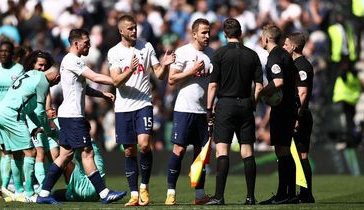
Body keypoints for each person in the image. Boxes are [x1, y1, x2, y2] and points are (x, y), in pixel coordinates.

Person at [36, 28, 126, 205]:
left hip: (68, 115)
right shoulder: (72, 60)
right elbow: (95, 77)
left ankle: (44, 193)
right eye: (86, 43)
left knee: (65, 156)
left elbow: (81, 87)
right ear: (76, 43)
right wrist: (118, 80)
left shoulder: (71, 61)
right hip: (72, 117)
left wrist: (101, 95)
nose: (89, 45)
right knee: (87, 153)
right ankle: (104, 193)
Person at [107, 14, 175, 206]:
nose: (134, 31)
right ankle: (134, 193)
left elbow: (160, 75)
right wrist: (130, 69)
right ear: (121, 31)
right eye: (130, 28)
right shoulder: (114, 52)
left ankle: (144, 187)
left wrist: (166, 64)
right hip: (123, 107)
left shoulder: (147, 46)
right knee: (129, 151)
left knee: (144, 144)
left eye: (135, 27)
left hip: (143, 103)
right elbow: (116, 81)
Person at [204, 18, 263, 205]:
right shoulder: (252, 55)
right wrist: (253, 103)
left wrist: (208, 109)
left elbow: (213, 85)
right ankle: (251, 196)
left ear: (224, 34)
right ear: (241, 33)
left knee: (222, 150)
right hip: (245, 104)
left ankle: (219, 196)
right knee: (247, 151)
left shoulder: (219, 54)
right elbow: (259, 86)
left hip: (226, 105)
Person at [164, 18, 212, 206]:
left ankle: (200, 195)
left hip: (203, 112)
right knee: (180, 149)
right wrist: (191, 71)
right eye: (203, 33)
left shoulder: (212, 54)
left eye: (208, 32)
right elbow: (171, 79)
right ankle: (171, 192)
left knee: (201, 154)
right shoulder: (183, 52)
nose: (207, 36)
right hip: (184, 109)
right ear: (194, 34)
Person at [0, 66, 61, 202]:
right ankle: (30, 193)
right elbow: (42, 112)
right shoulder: (43, 83)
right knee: (31, 152)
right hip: (13, 115)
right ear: (57, 78)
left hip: (1, 112)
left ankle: (18, 190)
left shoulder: (32, 74)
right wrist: (49, 131)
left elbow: (30, 110)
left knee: (17, 153)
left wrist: (38, 126)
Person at [258, 24, 299, 205]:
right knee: (285, 150)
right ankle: (289, 193)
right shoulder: (285, 55)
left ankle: (284, 194)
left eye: (261, 37)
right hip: (289, 107)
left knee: (282, 150)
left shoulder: (274, 56)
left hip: (282, 109)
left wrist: (262, 92)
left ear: (266, 39)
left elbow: (279, 81)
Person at [0, 40, 24, 200]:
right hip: (0, 118)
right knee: (5, 152)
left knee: (17, 152)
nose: (4, 53)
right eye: (1, 51)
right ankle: (6, 186)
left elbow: (23, 93)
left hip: (15, 116)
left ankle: (15, 187)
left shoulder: (19, 69)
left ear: (12, 53)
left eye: (7, 51)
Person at [283, 32, 315, 203]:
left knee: (301, 154)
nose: (284, 47)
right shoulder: (296, 64)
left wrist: (297, 117)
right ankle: (301, 193)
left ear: (294, 47)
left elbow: (302, 93)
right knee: (299, 154)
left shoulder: (301, 66)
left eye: (286, 44)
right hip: (298, 115)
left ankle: (305, 193)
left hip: (299, 116)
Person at [22, 50, 60, 193]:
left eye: (45, 66)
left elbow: (47, 103)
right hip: (32, 119)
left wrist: (49, 111)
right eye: (40, 65)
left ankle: (41, 186)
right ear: (33, 65)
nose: (43, 68)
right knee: (39, 153)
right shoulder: (29, 79)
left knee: (55, 155)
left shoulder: (44, 83)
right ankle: (39, 189)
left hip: (43, 119)